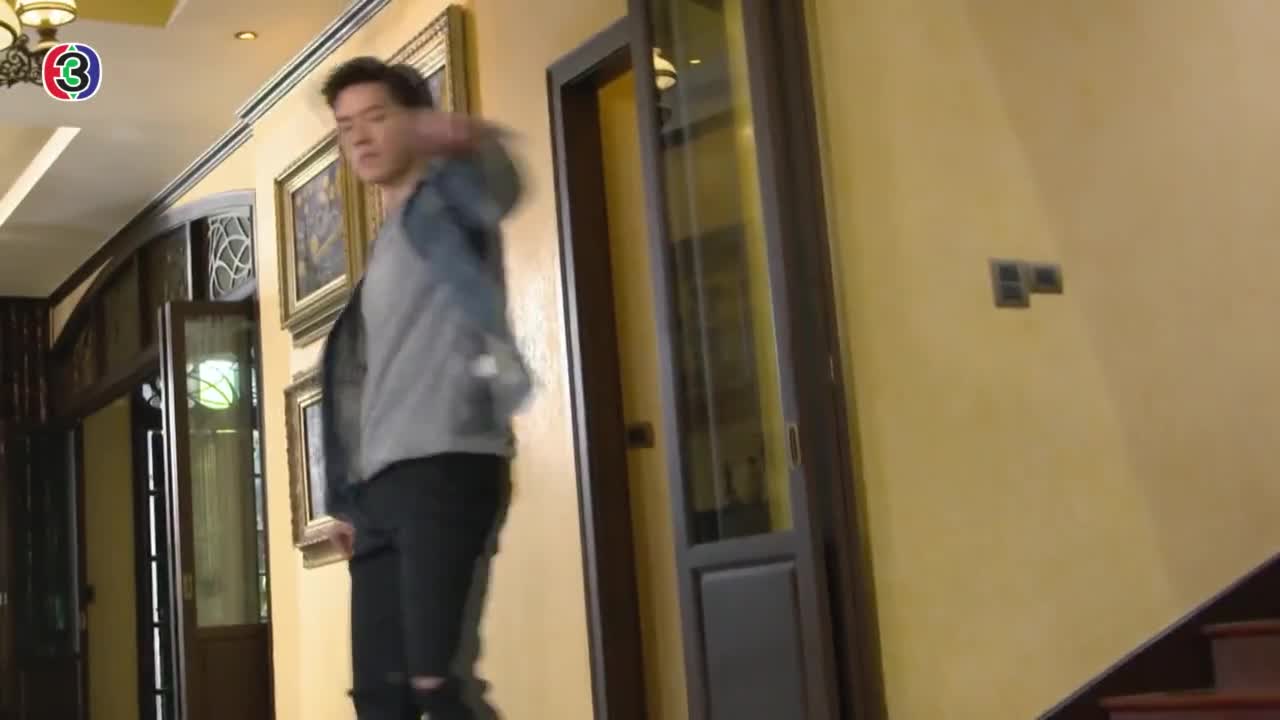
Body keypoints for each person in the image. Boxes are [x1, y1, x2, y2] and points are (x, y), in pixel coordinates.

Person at [315, 56, 532, 720]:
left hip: (447, 465)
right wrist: (350, 498)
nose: (360, 137)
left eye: (376, 117)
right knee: (382, 699)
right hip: (381, 489)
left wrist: (469, 138)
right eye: (346, 126)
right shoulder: (383, 249)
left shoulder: (447, 203)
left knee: (438, 687)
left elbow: (498, 189)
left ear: (415, 121)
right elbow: (365, 382)